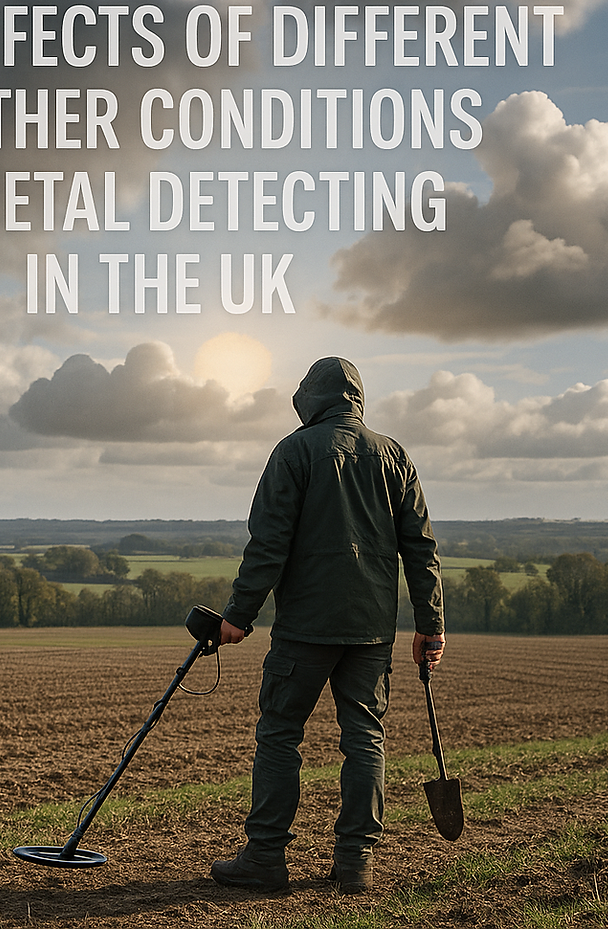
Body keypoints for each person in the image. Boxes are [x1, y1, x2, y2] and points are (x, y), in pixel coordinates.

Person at [210, 356, 444, 895]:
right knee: (365, 739)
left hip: (305, 629)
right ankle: (355, 863)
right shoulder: (394, 456)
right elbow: (421, 549)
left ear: (308, 400)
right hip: (371, 631)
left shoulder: (293, 452)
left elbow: (268, 544)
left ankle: (265, 859)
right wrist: (430, 626)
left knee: (278, 736)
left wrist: (238, 617)